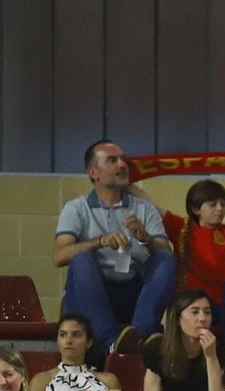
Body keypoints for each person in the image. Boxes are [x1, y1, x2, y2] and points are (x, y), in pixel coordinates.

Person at [54, 139, 177, 354]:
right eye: (112, 161)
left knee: (166, 259)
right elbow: (59, 256)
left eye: (123, 160)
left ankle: (140, 336)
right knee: (81, 259)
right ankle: (109, 342)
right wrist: (100, 241)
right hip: (91, 295)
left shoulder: (144, 209)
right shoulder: (76, 208)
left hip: (131, 292)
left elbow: (165, 253)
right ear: (94, 172)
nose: (122, 165)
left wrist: (145, 238)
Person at [140, 174, 225, 298]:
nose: (220, 209)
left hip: (222, 305)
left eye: (223, 204)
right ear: (196, 209)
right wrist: (127, 184)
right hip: (189, 306)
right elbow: (148, 201)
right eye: (213, 205)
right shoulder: (180, 227)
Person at [141, 288, 224, 391]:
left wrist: (211, 357)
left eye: (207, 312)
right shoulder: (158, 355)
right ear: (178, 318)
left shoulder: (221, 352)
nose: (202, 318)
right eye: (195, 312)